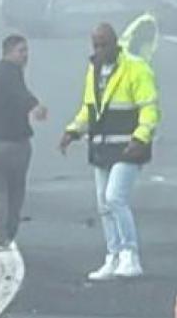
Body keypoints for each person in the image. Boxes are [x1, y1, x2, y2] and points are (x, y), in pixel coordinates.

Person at [59, 21, 159, 280]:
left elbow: (150, 108)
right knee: (104, 204)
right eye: (96, 45)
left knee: (115, 198)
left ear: (116, 43)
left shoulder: (136, 68)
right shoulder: (93, 71)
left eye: (104, 44)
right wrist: (73, 131)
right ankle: (112, 256)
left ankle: (130, 254)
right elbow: (89, 109)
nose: (100, 50)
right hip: (102, 147)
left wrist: (140, 138)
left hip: (128, 147)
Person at [0, 34, 46, 249]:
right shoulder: (11, 73)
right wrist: (34, 106)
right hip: (13, 142)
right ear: (9, 52)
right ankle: (8, 232)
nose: (26, 56)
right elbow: (19, 94)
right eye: (21, 51)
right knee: (15, 189)